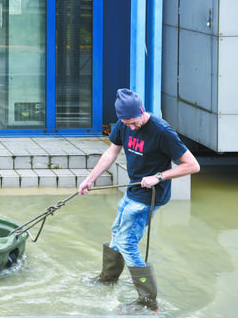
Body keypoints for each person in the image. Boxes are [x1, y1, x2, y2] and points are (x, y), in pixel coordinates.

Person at [77, 88, 200, 312]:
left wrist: (158, 176)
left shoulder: (162, 131)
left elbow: (193, 165)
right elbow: (111, 153)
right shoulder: (123, 124)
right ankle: (108, 278)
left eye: (134, 122)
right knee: (117, 231)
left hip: (151, 195)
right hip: (133, 190)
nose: (132, 128)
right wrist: (90, 179)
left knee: (127, 242)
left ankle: (147, 301)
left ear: (142, 110)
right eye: (127, 123)